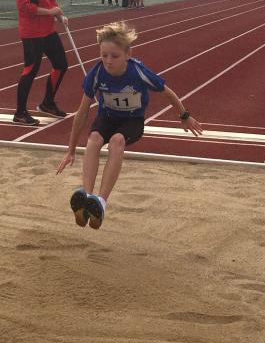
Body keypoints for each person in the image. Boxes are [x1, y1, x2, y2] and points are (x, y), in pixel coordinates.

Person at [56, 21, 203, 229]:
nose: (108, 61)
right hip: (107, 118)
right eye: (104, 56)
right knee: (94, 138)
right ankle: (87, 200)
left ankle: (101, 203)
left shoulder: (138, 72)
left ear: (128, 54)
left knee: (116, 141)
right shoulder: (96, 73)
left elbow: (167, 93)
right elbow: (81, 114)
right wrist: (71, 150)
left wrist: (184, 115)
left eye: (114, 56)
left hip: (132, 121)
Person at [14, 0, 69, 126]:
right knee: (31, 69)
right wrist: (49, 12)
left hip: (48, 29)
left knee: (61, 65)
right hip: (32, 32)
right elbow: (24, 7)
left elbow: (50, 0)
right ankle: (20, 112)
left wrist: (59, 15)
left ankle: (47, 103)